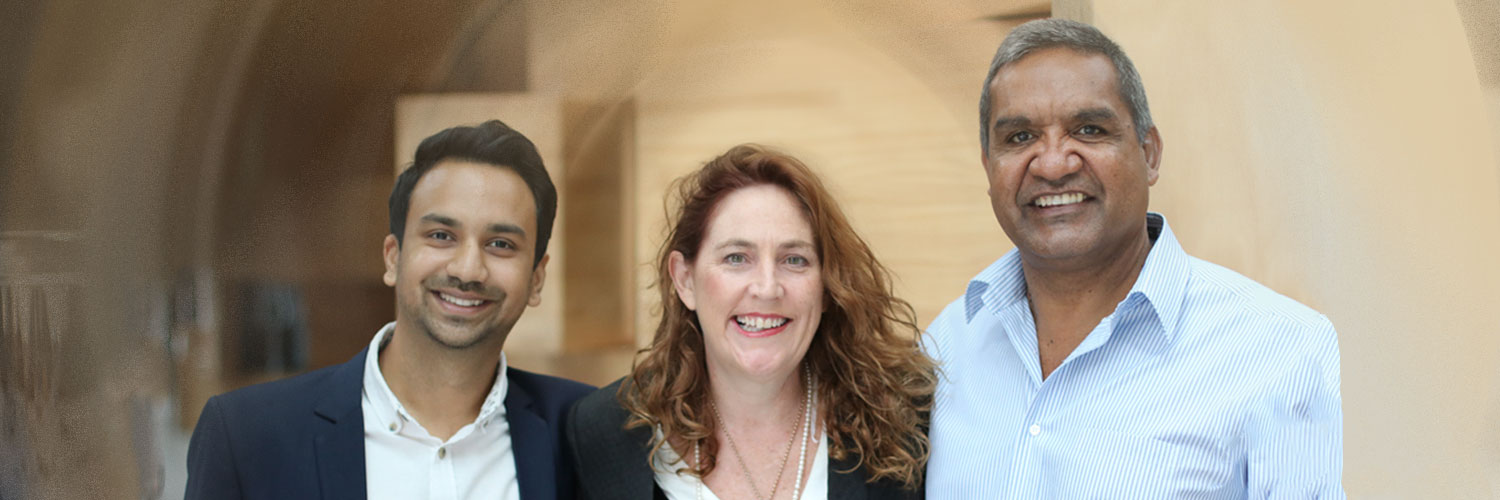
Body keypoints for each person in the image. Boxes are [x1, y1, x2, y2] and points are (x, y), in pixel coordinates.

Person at [924, 19, 1345, 498]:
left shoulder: (1279, 348)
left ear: (1149, 153)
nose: (1054, 164)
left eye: (1089, 129)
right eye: (1019, 138)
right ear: (988, 167)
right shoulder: (947, 347)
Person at [186, 120, 593, 500]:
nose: (468, 269)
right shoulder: (246, 436)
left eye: (501, 244)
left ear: (537, 278)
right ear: (392, 258)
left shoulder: (591, 431)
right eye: (441, 235)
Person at [567, 145, 935, 499]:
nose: (767, 287)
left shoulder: (903, 422)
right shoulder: (602, 433)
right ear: (685, 279)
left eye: (794, 260)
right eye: (736, 258)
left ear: (826, 288)